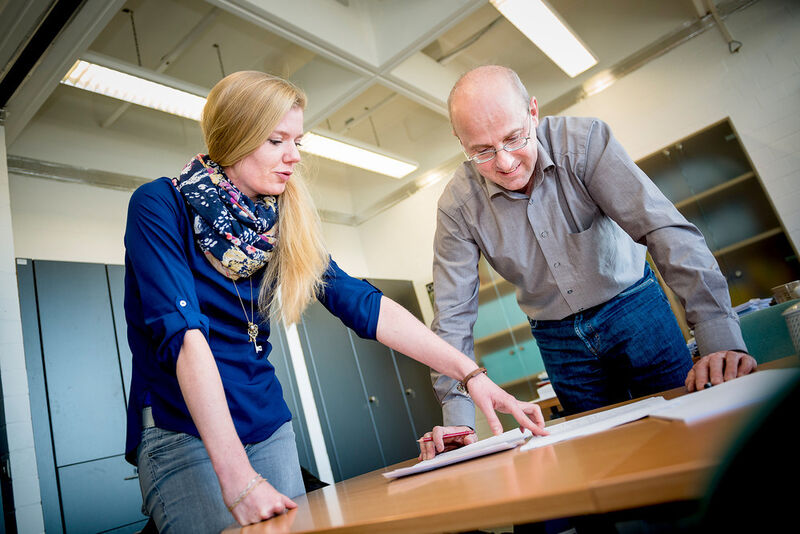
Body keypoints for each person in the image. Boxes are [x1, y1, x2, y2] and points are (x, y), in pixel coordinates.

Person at [123, 70, 548, 532]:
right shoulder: (159, 205)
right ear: (235, 136)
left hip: (266, 424)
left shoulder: (278, 219)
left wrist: (470, 374)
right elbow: (186, 339)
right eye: (276, 140)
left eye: (297, 142)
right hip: (181, 428)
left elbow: (362, 304)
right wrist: (239, 480)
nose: (293, 157)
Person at [418, 65, 756, 460]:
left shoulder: (584, 142)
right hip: (557, 338)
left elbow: (663, 230)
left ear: (533, 112)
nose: (506, 163)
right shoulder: (458, 205)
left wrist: (719, 336)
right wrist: (458, 414)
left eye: (514, 138)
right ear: (460, 141)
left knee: (696, 437)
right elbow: (452, 314)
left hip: (635, 307)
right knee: (604, 462)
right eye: (482, 151)